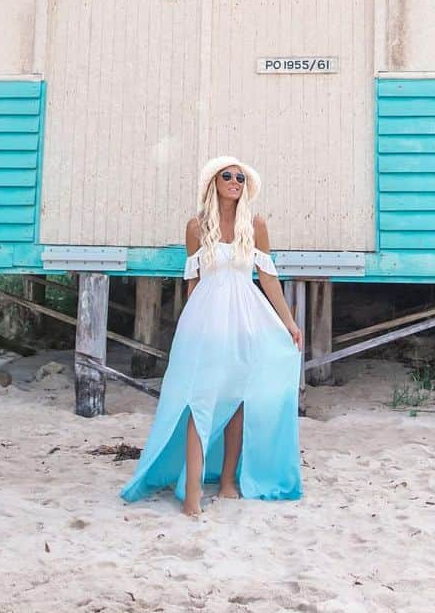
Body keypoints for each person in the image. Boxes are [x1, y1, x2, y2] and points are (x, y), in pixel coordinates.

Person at [119, 156, 303, 515]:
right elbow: (193, 283)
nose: (235, 181)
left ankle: (230, 481)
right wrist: (192, 328)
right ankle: (191, 494)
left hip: (244, 319)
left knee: (236, 400)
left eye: (240, 177)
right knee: (199, 399)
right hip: (206, 320)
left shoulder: (256, 225)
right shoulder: (196, 227)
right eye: (227, 176)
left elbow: (268, 279)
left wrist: (290, 324)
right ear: (213, 183)